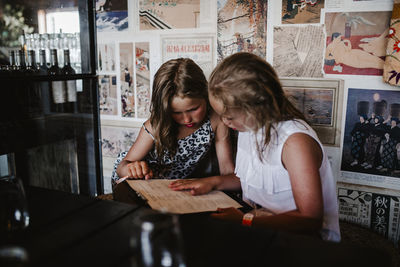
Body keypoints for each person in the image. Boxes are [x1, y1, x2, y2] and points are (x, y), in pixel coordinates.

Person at [169, 52, 340, 242]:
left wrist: (246, 221)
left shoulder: (295, 143)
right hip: (261, 226)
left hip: (304, 241)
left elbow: (310, 219)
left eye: (230, 117)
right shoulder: (248, 127)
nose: (224, 122)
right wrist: (212, 182)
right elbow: (249, 179)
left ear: (256, 108)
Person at [114, 58, 234, 185]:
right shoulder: (155, 126)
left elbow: (227, 170)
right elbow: (121, 168)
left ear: (205, 94)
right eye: (176, 113)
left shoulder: (216, 120)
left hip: (177, 187)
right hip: (144, 185)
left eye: (193, 109)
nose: (187, 119)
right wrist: (131, 169)